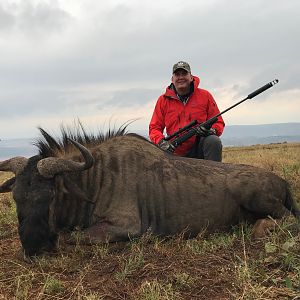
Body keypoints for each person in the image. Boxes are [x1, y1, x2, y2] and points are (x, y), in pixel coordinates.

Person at [149, 61, 225, 162]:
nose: (181, 77)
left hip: (198, 148)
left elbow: (218, 122)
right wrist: (161, 142)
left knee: (213, 141)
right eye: (177, 74)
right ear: (172, 79)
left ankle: (215, 176)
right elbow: (154, 128)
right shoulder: (163, 100)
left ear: (191, 77)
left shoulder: (205, 96)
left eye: (184, 74)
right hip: (173, 151)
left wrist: (211, 131)